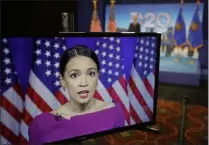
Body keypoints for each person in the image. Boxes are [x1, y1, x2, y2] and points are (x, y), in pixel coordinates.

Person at [28, 45, 125, 145]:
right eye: (74, 75)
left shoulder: (114, 112)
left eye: (91, 74)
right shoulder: (42, 125)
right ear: (63, 81)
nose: (83, 83)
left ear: (97, 77)